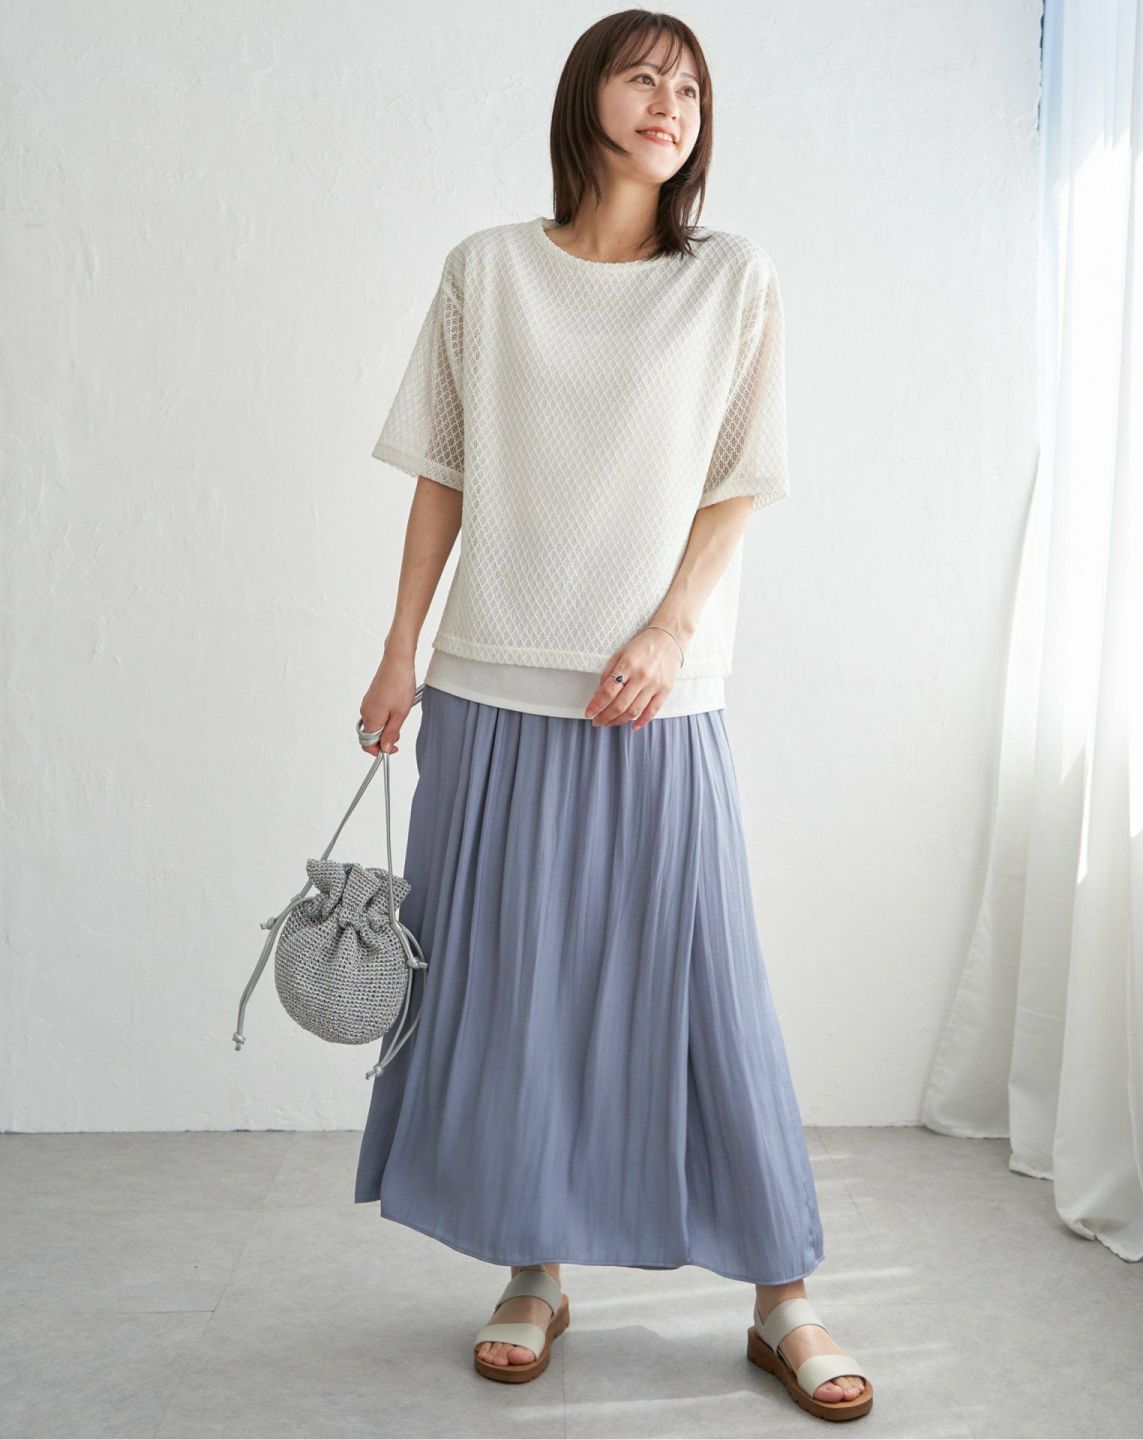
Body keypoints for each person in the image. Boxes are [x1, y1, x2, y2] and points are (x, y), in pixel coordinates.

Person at [353, 9, 873, 1423]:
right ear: (588, 93)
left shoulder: (730, 280)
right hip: (487, 684)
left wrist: (670, 628)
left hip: (654, 695)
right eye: (644, 75)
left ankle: (782, 1295)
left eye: (691, 87)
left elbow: (740, 480)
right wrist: (398, 654)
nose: (669, 102)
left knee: (707, 988)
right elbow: (443, 475)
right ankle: (534, 1271)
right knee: (513, 990)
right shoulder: (487, 271)